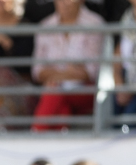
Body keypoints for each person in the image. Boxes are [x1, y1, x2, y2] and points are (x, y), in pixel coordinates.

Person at [30, 0, 103, 129]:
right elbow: (37, 71)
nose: (64, 3)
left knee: (54, 92)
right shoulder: (45, 26)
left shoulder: (95, 23)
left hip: (85, 91)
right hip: (54, 91)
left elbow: (91, 71)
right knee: (62, 109)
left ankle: (35, 134)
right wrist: (70, 73)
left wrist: (54, 75)